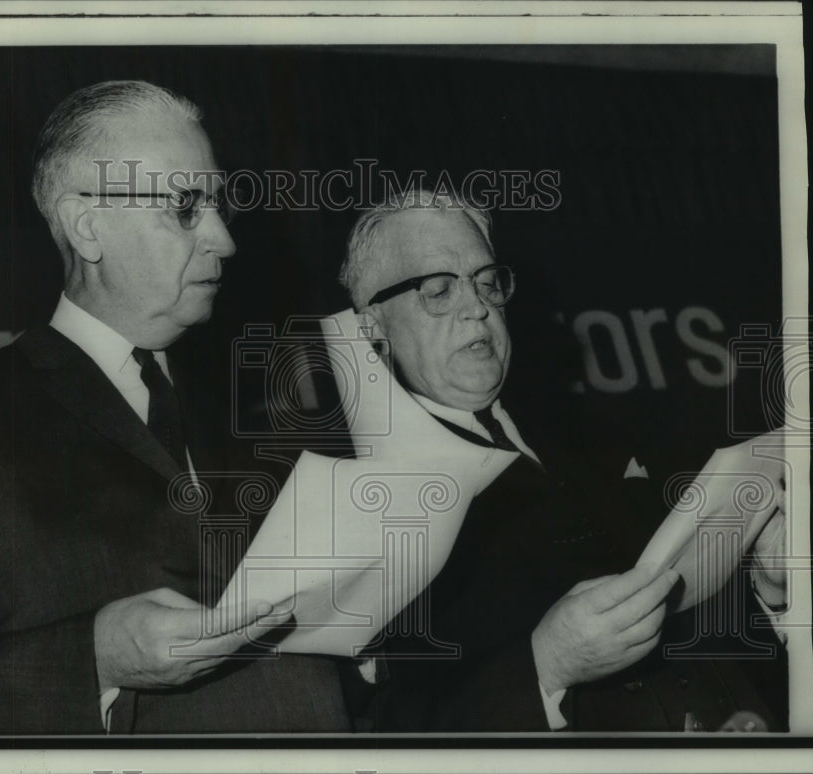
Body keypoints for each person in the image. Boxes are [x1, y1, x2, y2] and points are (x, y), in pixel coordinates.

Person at [0, 80, 349, 734]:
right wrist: (94, 658)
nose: (224, 240)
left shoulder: (253, 412)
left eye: (219, 206)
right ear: (89, 228)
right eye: (186, 208)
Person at [334, 189, 786, 731]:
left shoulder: (597, 436)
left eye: (486, 282)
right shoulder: (357, 508)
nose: (476, 306)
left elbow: (706, 625)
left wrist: (768, 588)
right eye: (437, 290)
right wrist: (545, 667)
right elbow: (378, 731)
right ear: (372, 328)